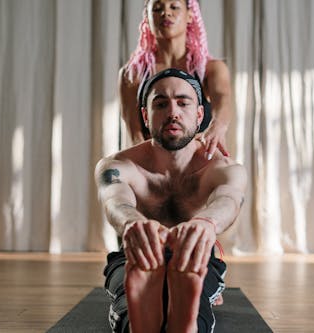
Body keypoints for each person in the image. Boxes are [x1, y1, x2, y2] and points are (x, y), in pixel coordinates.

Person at [96, 68, 246, 333]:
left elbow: (229, 200)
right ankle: (142, 316)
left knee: (194, 295)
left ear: (200, 115)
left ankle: (184, 318)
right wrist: (134, 226)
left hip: (195, 254)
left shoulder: (223, 168)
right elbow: (115, 202)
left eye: (183, 102)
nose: (172, 112)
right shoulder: (118, 165)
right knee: (127, 303)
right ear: (145, 115)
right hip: (134, 255)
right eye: (161, 103)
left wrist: (206, 224)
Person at [119, 0, 232, 160]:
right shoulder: (132, 74)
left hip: (198, 162)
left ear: (190, 15)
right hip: (153, 165)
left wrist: (218, 126)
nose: (166, 13)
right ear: (147, 19)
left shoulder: (211, 69)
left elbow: (223, 102)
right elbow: (134, 134)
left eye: (174, 7)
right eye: (157, 9)